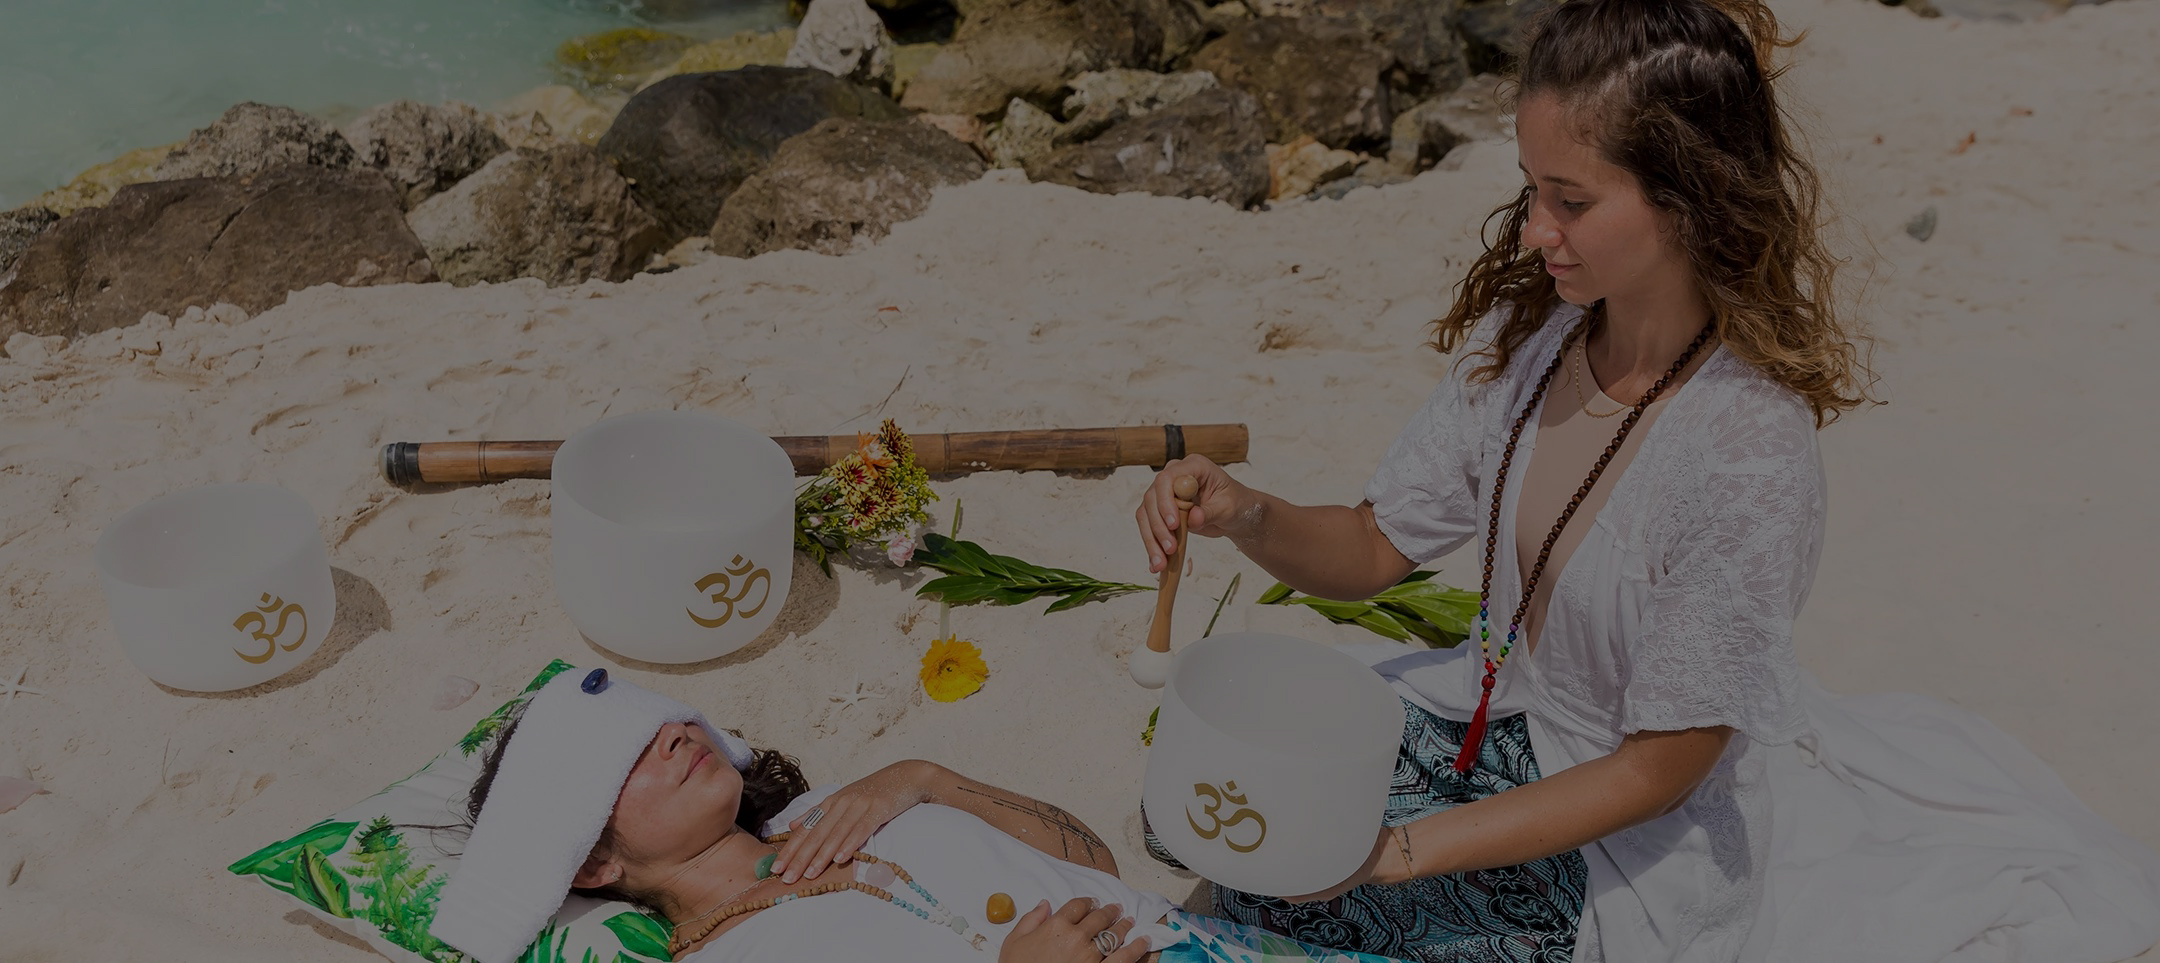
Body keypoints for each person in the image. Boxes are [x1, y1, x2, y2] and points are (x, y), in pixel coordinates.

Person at [1109, 1, 2160, 961]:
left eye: (1570, 200)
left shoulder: (1747, 452)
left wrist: (1396, 854)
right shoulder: (1531, 339)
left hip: (1620, 834)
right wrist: (1245, 514)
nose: (1533, 233)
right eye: (1531, 191)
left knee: (1297, 895)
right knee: (1198, 821)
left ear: (1690, 200)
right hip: (1487, 726)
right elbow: (1372, 550)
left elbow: (1660, 768)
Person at [440, 671, 1416, 963]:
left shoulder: (839, 812)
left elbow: (1091, 859)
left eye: (661, 722)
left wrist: (925, 778)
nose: (665, 739)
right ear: (590, 865)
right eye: (616, 763)